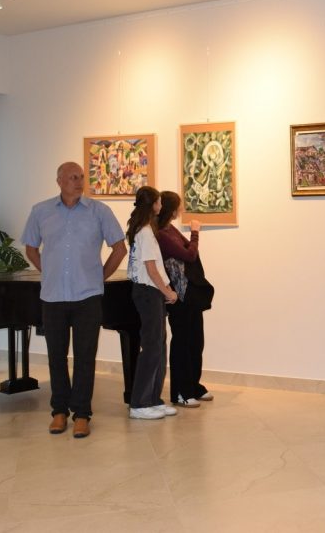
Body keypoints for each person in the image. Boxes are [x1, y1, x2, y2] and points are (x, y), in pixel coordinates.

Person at [22, 161, 127, 439]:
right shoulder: (40, 211)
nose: (79, 182)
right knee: (56, 357)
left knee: (85, 357)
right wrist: (48, 271)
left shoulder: (99, 211)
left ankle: (81, 414)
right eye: (72, 177)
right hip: (53, 297)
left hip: (87, 297)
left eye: (81, 177)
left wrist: (100, 277)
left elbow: (120, 248)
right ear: (59, 181)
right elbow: (30, 248)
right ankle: (59, 411)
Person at [156, 191, 216, 407]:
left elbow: (188, 253)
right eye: (178, 206)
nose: (181, 209)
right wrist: (195, 233)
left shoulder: (170, 229)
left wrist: (192, 239)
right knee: (182, 342)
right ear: (171, 209)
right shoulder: (161, 234)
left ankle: (194, 386)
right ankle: (181, 391)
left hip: (190, 294)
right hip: (177, 296)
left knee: (196, 341)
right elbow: (190, 254)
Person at [126, 186, 179, 420]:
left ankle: (153, 399)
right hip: (148, 293)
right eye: (159, 201)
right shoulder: (145, 232)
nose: (161, 205)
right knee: (151, 347)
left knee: (158, 345)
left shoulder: (146, 229)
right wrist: (167, 291)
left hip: (152, 293)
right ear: (153, 205)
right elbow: (151, 269)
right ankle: (139, 403)